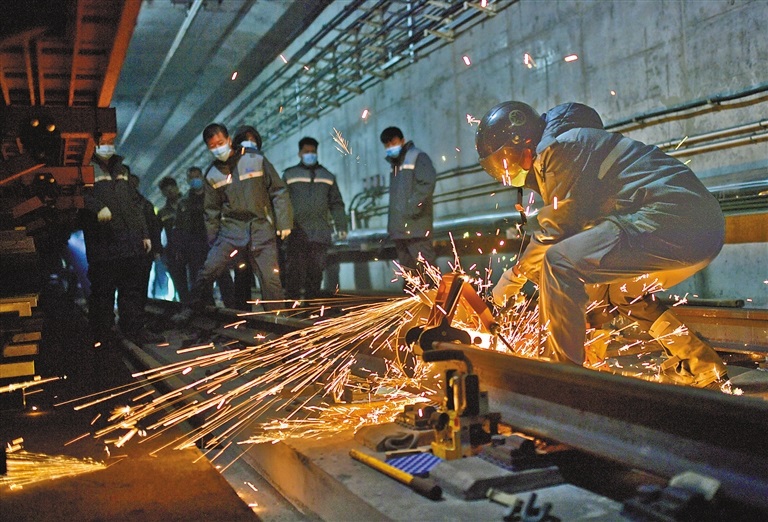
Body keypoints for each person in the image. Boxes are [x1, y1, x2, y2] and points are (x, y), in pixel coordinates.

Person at [477, 101, 728, 389]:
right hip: (699, 229)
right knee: (623, 293)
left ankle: (561, 383)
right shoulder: (573, 150)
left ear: (525, 142)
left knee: (559, 262)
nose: (509, 170)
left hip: (673, 219)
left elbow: (556, 231)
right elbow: (585, 252)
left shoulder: (562, 148)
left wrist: (514, 276)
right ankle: (702, 365)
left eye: (507, 160)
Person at [176, 123, 292, 318]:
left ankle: (278, 321)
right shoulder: (212, 174)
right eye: (212, 146)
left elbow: (278, 190)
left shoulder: (255, 158)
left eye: (220, 143)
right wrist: (214, 242)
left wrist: (284, 221)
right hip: (231, 231)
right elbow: (211, 212)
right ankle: (190, 309)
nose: (217, 148)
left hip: (260, 228)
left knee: (270, 279)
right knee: (208, 270)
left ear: (229, 140)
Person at [81, 133, 163, 347]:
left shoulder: (122, 170)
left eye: (110, 142)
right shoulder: (84, 169)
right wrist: (97, 207)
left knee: (131, 290)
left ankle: (134, 330)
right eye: (103, 143)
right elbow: (77, 196)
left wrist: (144, 234)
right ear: (93, 144)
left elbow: (135, 204)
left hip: (129, 242)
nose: (108, 146)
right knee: (103, 291)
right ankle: (104, 334)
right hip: (104, 243)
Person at [281, 136, 348, 300]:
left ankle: (312, 308)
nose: (310, 154)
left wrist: (341, 226)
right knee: (295, 274)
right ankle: (292, 308)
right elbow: (281, 202)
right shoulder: (289, 175)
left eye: (313, 151)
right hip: (296, 234)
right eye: (306, 151)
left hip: (320, 234)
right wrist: (282, 225)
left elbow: (336, 203)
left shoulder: (327, 176)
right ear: (299, 153)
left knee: (315, 274)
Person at [379, 127, 437, 280]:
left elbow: (427, 185)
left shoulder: (417, 157)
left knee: (427, 272)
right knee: (410, 277)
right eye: (387, 145)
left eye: (393, 143)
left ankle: (434, 295)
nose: (390, 147)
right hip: (400, 231)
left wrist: (411, 210)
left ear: (402, 140)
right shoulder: (395, 164)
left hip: (416, 228)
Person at [128, 170, 163, 306]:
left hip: (140, 252)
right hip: (133, 252)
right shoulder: (144, 204)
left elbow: (155, 227)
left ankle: (137, 310)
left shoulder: (145, 205)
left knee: (139, 284)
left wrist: (156, 249)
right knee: (136, 285)